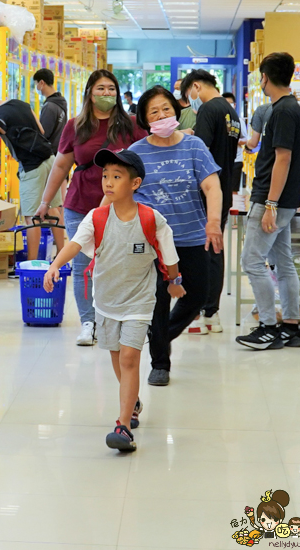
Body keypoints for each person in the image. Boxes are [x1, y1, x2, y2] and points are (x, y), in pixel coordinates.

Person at [42, 149, 182, 452]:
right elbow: (76, 244)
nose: (107, 182)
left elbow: (169, 258)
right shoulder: (96, 217)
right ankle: (132, 400)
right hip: (105, 301)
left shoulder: (151, 219)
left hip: (139, 301)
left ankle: (123, 425)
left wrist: (174, 282)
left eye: (116, 177)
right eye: (105, 176)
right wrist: (55, 265)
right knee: (118, 358)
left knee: (131, 359)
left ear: (134, 183)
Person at [35, 69, 148, 346]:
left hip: (121, 208)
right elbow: (61, 165)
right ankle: (88, 322)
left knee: (121, 263)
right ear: (89, 92)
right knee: (82, 265)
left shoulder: (131, 125)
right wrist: (45, 202)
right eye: (100, 89)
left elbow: (147, 157)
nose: (106, 94)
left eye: (111, 89)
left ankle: (119, 317)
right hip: (80, 204)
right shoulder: (76, 126)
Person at [130, 86, 224, 386]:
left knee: (197, 295)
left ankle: (159, 334)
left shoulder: (194, 146)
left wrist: (213, 223)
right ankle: (160, 363)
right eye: (154, 112)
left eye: (166, 109)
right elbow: (120, 193)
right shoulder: (136, 152)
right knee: (158, 299)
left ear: (176, 111)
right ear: (145, 119)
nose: (162, 115)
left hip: (192, 236)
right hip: (152, 243)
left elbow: (212, 187)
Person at [236, 52, 300, 351]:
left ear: (265, 77)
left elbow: (283, 158)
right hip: (285, 201)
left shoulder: (281, 111)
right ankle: (291, 326)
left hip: (272, 200)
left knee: (251, 261)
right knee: (283, 263)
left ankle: (268, 327)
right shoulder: (293, 109)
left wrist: (271, 205)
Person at [181, 70, 241, 336]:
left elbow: (199, 151)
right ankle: (212, 314)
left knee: (197, 253)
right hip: (224, 189)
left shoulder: (207, 109)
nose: (190, 100)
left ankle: (194, 315)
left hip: (204, 192)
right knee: (215, 251)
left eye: (188, 95)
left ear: (195, 87)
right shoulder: (231, 111)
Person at [0, 86, 55, 261]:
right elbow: (41, 130)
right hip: (50, 159)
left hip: (32, 167)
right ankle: (62, 258)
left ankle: (32, 265)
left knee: (31, 217)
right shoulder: (21, 104)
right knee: (54, 208)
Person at [247, 99, 300, 187]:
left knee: (265, 197)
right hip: (294, 165)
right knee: (290, 197)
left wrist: (246, 145)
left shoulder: (263, 109)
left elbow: (253, 143)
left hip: (267, 165)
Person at [34, 68, 68, 252]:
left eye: (36, 85)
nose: (36, 89)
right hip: (60, 160)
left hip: (49, 162)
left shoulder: (49, 106)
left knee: (52, 206)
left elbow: (43, 136)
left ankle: (60, 250)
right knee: (58, 205)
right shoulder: (61, 103)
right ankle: (61, 248)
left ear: (41, 83)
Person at [222, 92, 248, 193]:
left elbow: (245, 139)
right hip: (221, 160)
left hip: (236, 160)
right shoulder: (219, 119)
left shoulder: (239, 120)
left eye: (230, 103)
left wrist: (234, 140)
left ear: (235, 105)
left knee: (233, 190)